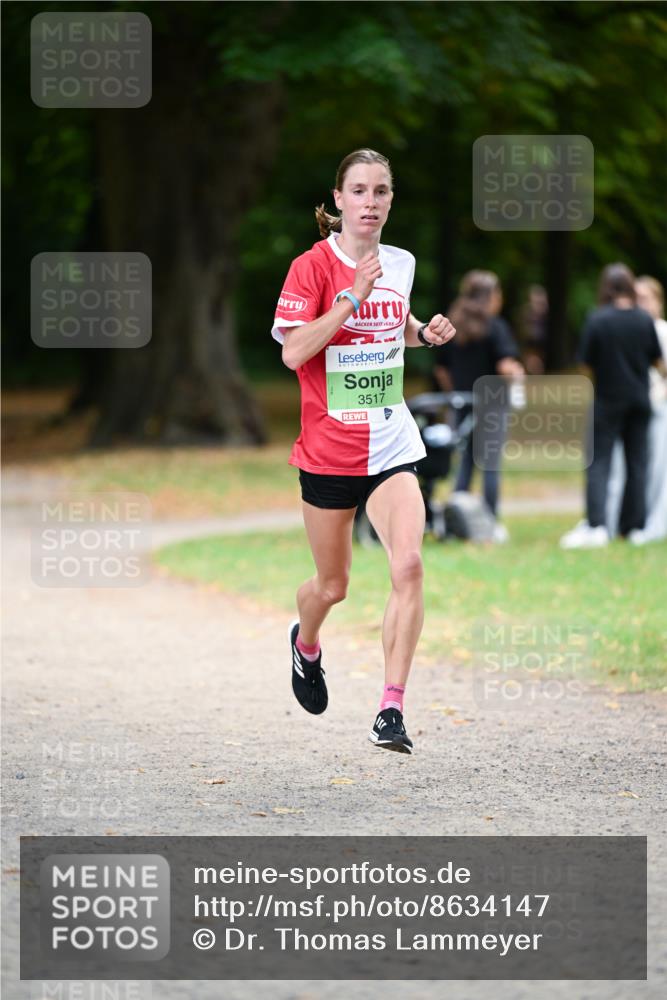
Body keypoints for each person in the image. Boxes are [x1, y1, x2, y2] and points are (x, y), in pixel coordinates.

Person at [270, 149, 456, 754]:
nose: (370, 202)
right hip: (327, 452)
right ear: (340, 200)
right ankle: (307, 643)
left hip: (391, 441)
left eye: (381, 191)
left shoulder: (399, 263)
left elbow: (393, 320)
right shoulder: (310, 267)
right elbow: (295, 352)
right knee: (332, 586)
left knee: (408, 565)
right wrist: (349, 297)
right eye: (359, 191)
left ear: (390, 200)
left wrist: (422, 332)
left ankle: (391, 711)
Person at [560, 263, 663, 549]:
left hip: (607, 399)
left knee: (599, 463)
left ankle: (598, 525)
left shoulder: (598, 319)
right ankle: (634, 527)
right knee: (637, 463)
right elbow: (657, 361)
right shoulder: (644, 319)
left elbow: (584, 363)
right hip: (640, 400)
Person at [432, 270, 523, 542]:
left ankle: (456, 521)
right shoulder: (495, 327)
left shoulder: (453, 325)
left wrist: (456, 392)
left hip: (461, 403)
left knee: (465, 464)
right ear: (491, 296)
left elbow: (441, 368)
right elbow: (505, 366)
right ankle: (491, 523)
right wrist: (517, 376)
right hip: (492, 405)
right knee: (490, 465)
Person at [606, 276, 667, 544]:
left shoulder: (661, 330)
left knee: (655, 469)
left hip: (658, 407)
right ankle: (625, 521)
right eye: (637, 297)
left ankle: (652, 521)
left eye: (646, 298)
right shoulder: (633, 328)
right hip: (638, 408)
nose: (640, 303)